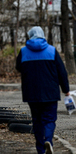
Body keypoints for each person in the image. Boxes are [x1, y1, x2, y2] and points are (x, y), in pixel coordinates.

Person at [16, 26, 70, 154]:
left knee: (37, 121)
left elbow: (19, 67)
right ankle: (48, 140)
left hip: (32, 94)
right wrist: (66, 90)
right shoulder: (52, 51)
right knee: (49, 119)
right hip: (50, 93)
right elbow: (62, 72)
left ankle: (40, 150)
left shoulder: (23, 51)